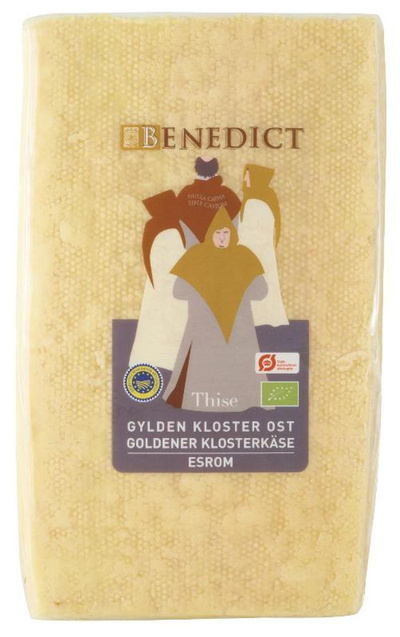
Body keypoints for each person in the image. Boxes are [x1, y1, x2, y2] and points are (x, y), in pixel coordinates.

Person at [163, 207, 268, 412]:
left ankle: (242, 401)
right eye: (218, 233)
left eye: (226, 232)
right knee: (203, 364)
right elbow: (178, 291)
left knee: (238, 362)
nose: (222, 237)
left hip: (238, 324)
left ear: (232, 233)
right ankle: (202, 402)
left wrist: (235, 287)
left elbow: (261, 292)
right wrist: (205, 286)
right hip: (203, 325)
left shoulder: (244, 256)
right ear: (211, 234)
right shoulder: (197, 256)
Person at [239, 164, 289, 327]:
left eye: (247, 175)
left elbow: (247, 230)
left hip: (253, 253)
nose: (244, 179)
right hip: (263, 252)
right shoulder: (267, 197)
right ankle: (266, 319)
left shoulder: (254, 201)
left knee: (256, 286)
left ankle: (258, 320)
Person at [176, 156, 241, 242]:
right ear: (216, 169)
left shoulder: (186, 193)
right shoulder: (227, 194)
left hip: (191, 246)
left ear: (196, 168)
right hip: (221, 245)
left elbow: (175, 218)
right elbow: (240, 221)